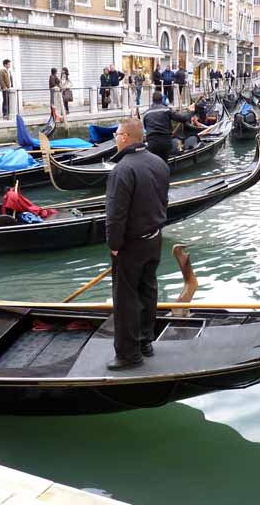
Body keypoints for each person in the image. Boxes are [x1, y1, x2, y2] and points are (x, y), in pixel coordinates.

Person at [105, 117, 170, 370]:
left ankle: (129, 355)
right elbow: (163, 201)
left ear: (124, 138)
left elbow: (115, 215)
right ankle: (146, 342)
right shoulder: (159, 163)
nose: (114, 139)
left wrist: (114, 244)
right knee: (148, 290)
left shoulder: (122, 170)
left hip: (130, 245)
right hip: (154, 238)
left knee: (126, 299)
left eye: (116, 135)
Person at [142, 91, 192, 162]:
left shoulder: (146, 113)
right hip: (165, 140)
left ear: (152, 100)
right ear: (162, 99)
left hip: (152, 141)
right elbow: (182, 119)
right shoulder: (167, 110)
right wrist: (190, 112)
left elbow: (145, 127)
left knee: (154, 162)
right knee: (164, 162)